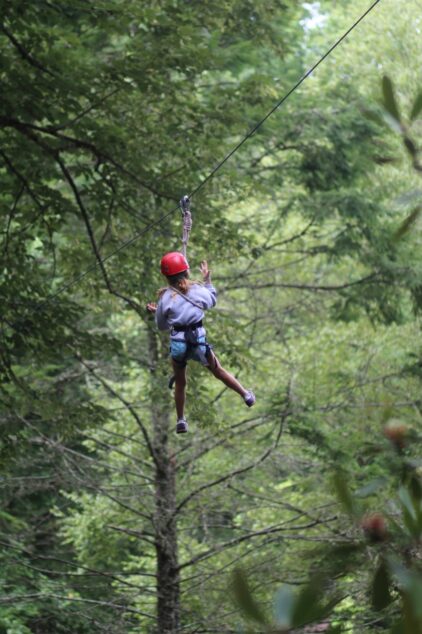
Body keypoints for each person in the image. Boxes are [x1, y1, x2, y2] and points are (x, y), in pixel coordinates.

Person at [147, 251, 255, 433]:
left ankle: (181, 420)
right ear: (186, 272)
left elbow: (162, 326)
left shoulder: (165, 298)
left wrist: (158, 312)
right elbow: (212, 301)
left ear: (166, 277)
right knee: (218, 371)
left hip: (179, 345)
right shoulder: (197, 290)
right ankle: (245, 395)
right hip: (198, 342)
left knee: (180, 382)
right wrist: (207, 281)